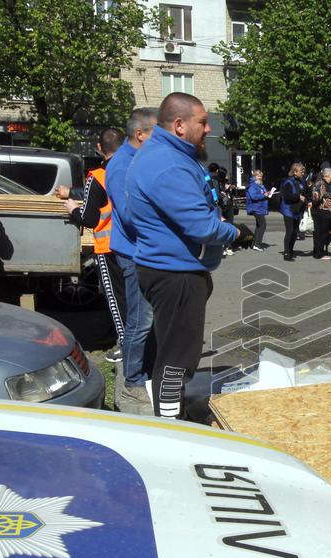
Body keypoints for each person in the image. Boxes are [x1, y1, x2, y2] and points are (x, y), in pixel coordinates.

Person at [126, 92, 250, 419]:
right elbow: (200, 225)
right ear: (180, 125)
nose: (208, 128)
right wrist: (237, 233)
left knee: (172, 353)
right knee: (176, 360)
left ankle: (172, 416)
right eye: (203, 122)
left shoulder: (167, 156)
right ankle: (172, 428)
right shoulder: (167, 164)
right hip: (175, 275)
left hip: (172, 270)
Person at [106, 107, 157, 405]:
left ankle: (144, 371)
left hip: (144, 251)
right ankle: (134, 381)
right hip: (134, 252)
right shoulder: (122, 165)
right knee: (140, 318)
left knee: (147, 318)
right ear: (140, 134)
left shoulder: (138, 159)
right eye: (156, 134)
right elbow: (129, 215)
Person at [64, 127, 127, 363]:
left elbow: (89, 217)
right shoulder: (133, 170)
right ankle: (136, 340)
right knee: (132, 295)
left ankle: (126, 344)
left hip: (108, 246)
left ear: (99, 148)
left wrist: (73, 209)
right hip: (133, 244)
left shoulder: (98, 176)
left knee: (116, 297)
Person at [279, 162, 307, 261]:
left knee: (295, 232)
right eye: (301, 171)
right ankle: (287, 252)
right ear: (294, 172)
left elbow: (305, 194)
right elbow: (286, 197)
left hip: (297, 210)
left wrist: (307, 201)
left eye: (303, 171)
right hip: (288, 209)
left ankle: (291, 250)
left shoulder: (302, 182)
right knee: (290, 231)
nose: (303, 173)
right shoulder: (288, 182)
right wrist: (298, 197)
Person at [310, 167, 331, 260]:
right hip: (321, 212)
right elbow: (316, 198)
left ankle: (318, 251)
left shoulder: (323, 183)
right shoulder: (321, 184)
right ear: (327, 176)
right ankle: (318, 253)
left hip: (323, 212)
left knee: (322, 233)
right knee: (321, 233)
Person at [245, 169, 270, 251]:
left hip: (260, 207)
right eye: (258, 176)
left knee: (259, 226)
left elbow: (263, 194)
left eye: (261, 176)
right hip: (256, 208)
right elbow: (254, 196)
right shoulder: (252, 185)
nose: (260, 177)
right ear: (254, 176)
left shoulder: (260, 185)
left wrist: (268, 193)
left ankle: (254, 244)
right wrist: (264, 195)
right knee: (263, 225)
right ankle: (257, 244)